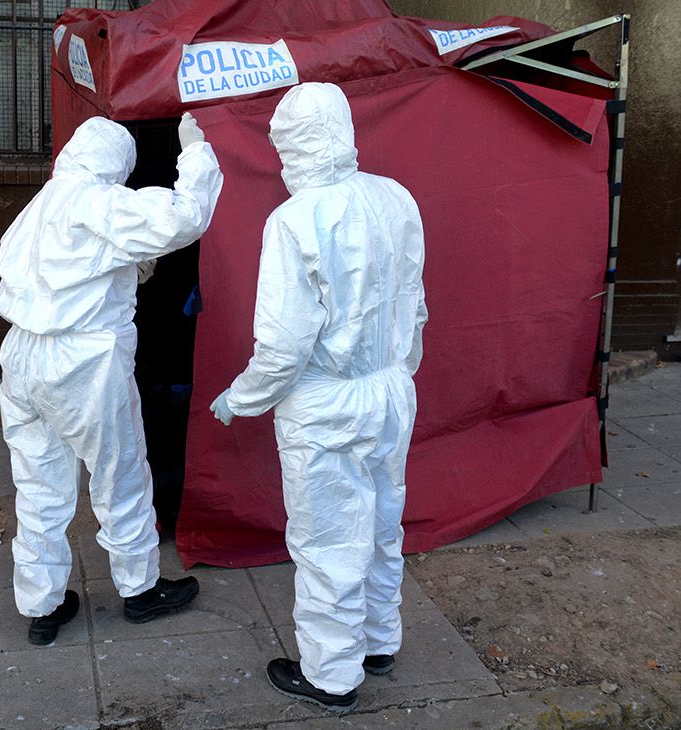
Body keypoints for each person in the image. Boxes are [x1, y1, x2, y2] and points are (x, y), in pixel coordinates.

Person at [209, 82, 426, 712]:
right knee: (384, 521)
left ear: (290, 146)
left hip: (326, 402)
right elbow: (414, 302)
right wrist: (397, 371)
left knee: (330, 538)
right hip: (390, 390)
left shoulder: (294, 220)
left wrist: (240, 399)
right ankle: (379, 642)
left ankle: (332, 676)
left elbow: (283, 347)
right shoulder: (395, 197)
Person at [0, 113, 223, 645]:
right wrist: (196, 152)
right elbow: (185, 216)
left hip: (23, 356)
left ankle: (42, 606)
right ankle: (140, 590)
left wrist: (127, 267)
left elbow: (59, 271)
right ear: (117, 163)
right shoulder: (99, 201)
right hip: (84, 361)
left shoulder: (38, 207)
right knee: (118, 472)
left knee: (38, 484)